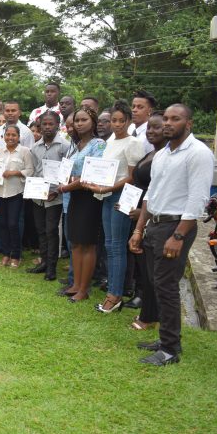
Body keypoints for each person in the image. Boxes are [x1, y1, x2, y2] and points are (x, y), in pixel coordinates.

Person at [129, 104, 214, 366]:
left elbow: (198, 199)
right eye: (165, 118)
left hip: (176, 227)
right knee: (157, 285)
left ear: (188, 123)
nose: (167, 123)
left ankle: (169, 349)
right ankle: (167, 340)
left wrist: (178, 236)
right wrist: (139, 229)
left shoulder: (198, 153)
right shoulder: (164, 153)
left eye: (175, 119)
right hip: (155, 224)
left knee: (166, 287)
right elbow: (151, 194)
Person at [83, 100, 144, 313]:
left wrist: (104, 188)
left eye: (121, 121)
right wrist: (93, 183)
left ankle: (115, 295)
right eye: (114, 120)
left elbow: (132, 176)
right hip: (106, 194)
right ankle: (114, 289)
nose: (117, 125)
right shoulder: (109, 141)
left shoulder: (133, 143)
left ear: (128, 121)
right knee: (109, 245)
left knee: (117, 246)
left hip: (121, 195)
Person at [58, 108, 107, 301]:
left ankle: (84, 289)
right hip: (74, 197)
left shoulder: (98, 144)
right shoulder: (76, 145)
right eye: (77, 120)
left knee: (87, 244)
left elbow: (92, 174)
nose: (79, 123)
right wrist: (70, 182)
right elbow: (71, 172)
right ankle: (76, 284)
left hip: (89, 198)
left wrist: (69, 185)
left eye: (83, 120)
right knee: (76, 243)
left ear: (93, 122)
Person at [124, 112, 165, 329]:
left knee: (152, 270)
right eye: (149, 128)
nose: (151, 131)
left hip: (150, 215)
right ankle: (146, 308)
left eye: (156, 128)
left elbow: (157, 190)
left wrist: (143, 212)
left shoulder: (164, 156)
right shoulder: (151, 154)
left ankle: (150, 315)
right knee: (142, 264)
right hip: (137, 212)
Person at [28, 111, 70, 280]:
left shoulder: (65, 146)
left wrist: (56, 191)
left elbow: (67, 173)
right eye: (44, 124)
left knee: (51, 230)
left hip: (55, 197)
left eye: (50, 124)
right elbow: (34, 171)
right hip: (37, 196)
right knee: (40, 230)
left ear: (58, 125)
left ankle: (51, 267)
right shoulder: (35, 147)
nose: (47, 127)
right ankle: (44, 262)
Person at [0, 125, 34, 268]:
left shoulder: (25, 151)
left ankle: (16, 256)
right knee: (2, 224)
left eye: (13, 135)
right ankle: (5, 254)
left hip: (16, 192)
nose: (10, 138)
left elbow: (30, 170)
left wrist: (15, 173)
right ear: (3, 136)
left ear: (19, 137)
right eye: (8, 135)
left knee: (13, 224)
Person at [128, 89, 157, 154]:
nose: (134, 110)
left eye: (140, 107)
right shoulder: (129, 128)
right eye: (133, 106)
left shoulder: (150, 135)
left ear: (149, 111)